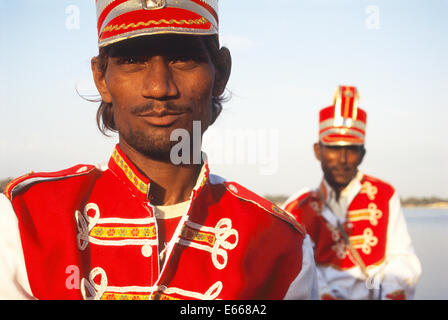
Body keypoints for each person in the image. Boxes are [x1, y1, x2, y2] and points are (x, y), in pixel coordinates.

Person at [0, 0, 317, 300]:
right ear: (101, 79)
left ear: (219, 72)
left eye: (183, 58)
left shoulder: (280, 245)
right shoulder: (25, 219)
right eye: (132, 60)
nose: (159, 88)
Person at [282, 85, 421, 300]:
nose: (343, 159)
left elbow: (402, 258)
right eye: (334, 149)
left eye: (352, 149)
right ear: (318, 151)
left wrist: (391, 291)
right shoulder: (297, 207)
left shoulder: (385, 195)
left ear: (362, 154)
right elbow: (292, 269)